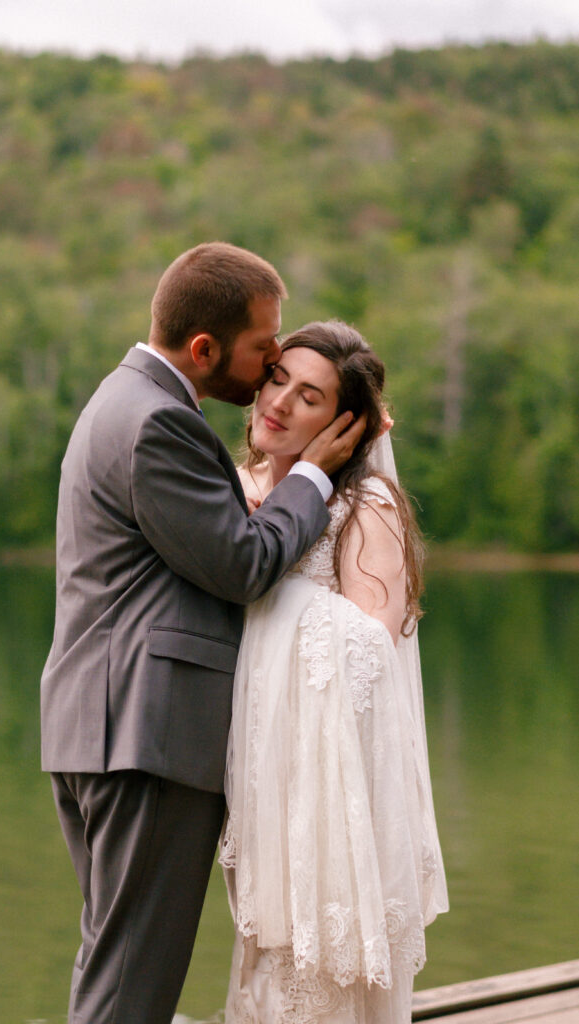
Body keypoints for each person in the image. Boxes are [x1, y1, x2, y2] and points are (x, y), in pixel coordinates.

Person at [40, 244, 367, 1024]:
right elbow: (243, 562)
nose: (268, 369)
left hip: (104, 727)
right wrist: (311, 480)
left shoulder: (120, 402)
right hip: (146, 735)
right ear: (203, 349)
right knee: (131, 987)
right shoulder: (158, 423)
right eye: (263, 349)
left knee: (115, 965)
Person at [220, 321, 449, 1023]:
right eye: (277, 379)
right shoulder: (233, 489)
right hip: (256, 779)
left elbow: (367, 653)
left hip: (323, 790)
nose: (279, 402)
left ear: (345, 427)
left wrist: (270, 585)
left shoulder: (362, 507)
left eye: (309, 397)